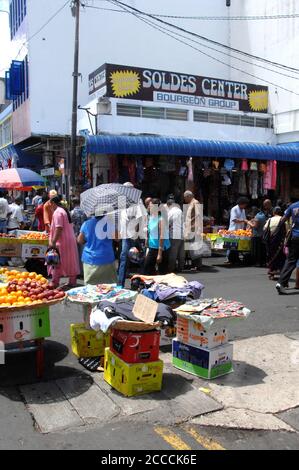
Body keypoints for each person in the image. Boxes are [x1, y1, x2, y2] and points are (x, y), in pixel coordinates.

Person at [77, 207, 117, 285]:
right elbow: (117, 239)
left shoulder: (86, 223)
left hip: (90, 260)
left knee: (90, 288)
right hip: (107, 258)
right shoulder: (110, 224)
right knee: (109, 287)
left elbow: (80, 240)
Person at [118, 183, 146, 287]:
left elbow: (139, 218)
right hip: (125, 235)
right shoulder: (122, 201)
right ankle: (120, 284)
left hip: (134, 236)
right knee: (124, 258)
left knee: (139, 259)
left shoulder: (137, 200)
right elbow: (121, 219)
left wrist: (136, 235)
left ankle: (142, 282)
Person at [48, 195, 80, 288]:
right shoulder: (64, 210)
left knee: (56, 261)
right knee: (70, 260)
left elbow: (59, 228)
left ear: (53, 203)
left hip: (62, 241)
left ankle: (55, 282)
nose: (50, 206)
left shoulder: (58, 212)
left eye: (50, 204)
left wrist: (53, 241)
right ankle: (72, 281)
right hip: (69, 240)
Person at [276, 199, 299, 295]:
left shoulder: (293, 206)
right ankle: (282, 282)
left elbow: (283, 219)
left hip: (295, 237)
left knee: (291, 260)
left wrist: (278, 231)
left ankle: (281, 282)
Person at [143, 198, 170, 275]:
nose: (149, 207)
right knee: (147, 268)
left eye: (151, 206)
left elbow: (162, 236)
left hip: (161, 248)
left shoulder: (161, 219)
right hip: (152, 247)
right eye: (148, 206)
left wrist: (159, 254)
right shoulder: (151, 218)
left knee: (162, 272)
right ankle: (151, 285)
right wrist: (147, 243)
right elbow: (150, 232)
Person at [263, 207, 286, 280]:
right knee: (281, 257)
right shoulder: (283, 219)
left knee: (271, 256)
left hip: (271, 241)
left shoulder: (270, 219)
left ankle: (271, 272)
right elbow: (287, 229)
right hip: (280, 242)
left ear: (274, 212)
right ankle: (281, 272)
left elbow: (264, 228)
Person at [184, 190, 202, 271]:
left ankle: (197, 265)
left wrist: (198, 230)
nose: (184, 199)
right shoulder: (190, 203)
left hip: (194, 229)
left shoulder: (196, 203)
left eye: (185, 197)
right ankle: (194, 264)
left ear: (188, 196)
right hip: (189, 228)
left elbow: (198, 216)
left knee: (195, 248)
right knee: (191, 248)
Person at [167, 197, 185, 273]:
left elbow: (168, 223)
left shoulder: (170, 212)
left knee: (173, 253)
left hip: (174, 234)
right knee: (181, 252)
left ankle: (171, 269)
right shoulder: (180, 211)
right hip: (181, 233)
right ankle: (181, 267)